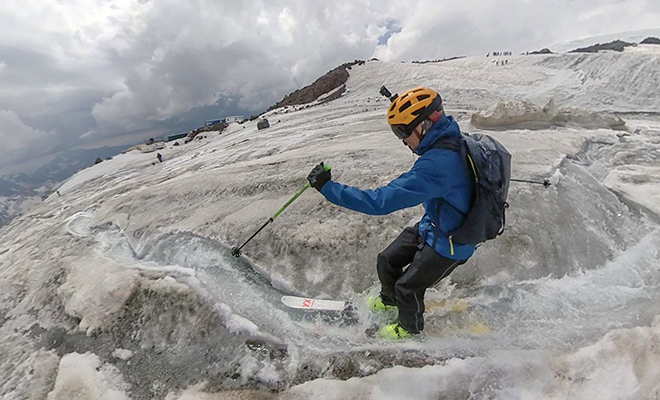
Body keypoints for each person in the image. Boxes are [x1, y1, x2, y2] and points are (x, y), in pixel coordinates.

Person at [307, 87, 475, 339]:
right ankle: (389, 301)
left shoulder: (438, 165)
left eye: (403, 132)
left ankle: (409, 330)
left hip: (452, 242)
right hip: (435, 225)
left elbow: (381, 202)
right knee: (387, 260)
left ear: (425, 125)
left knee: (408, 287)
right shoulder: (447, 142)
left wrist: (328, 188)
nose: (402, 140)